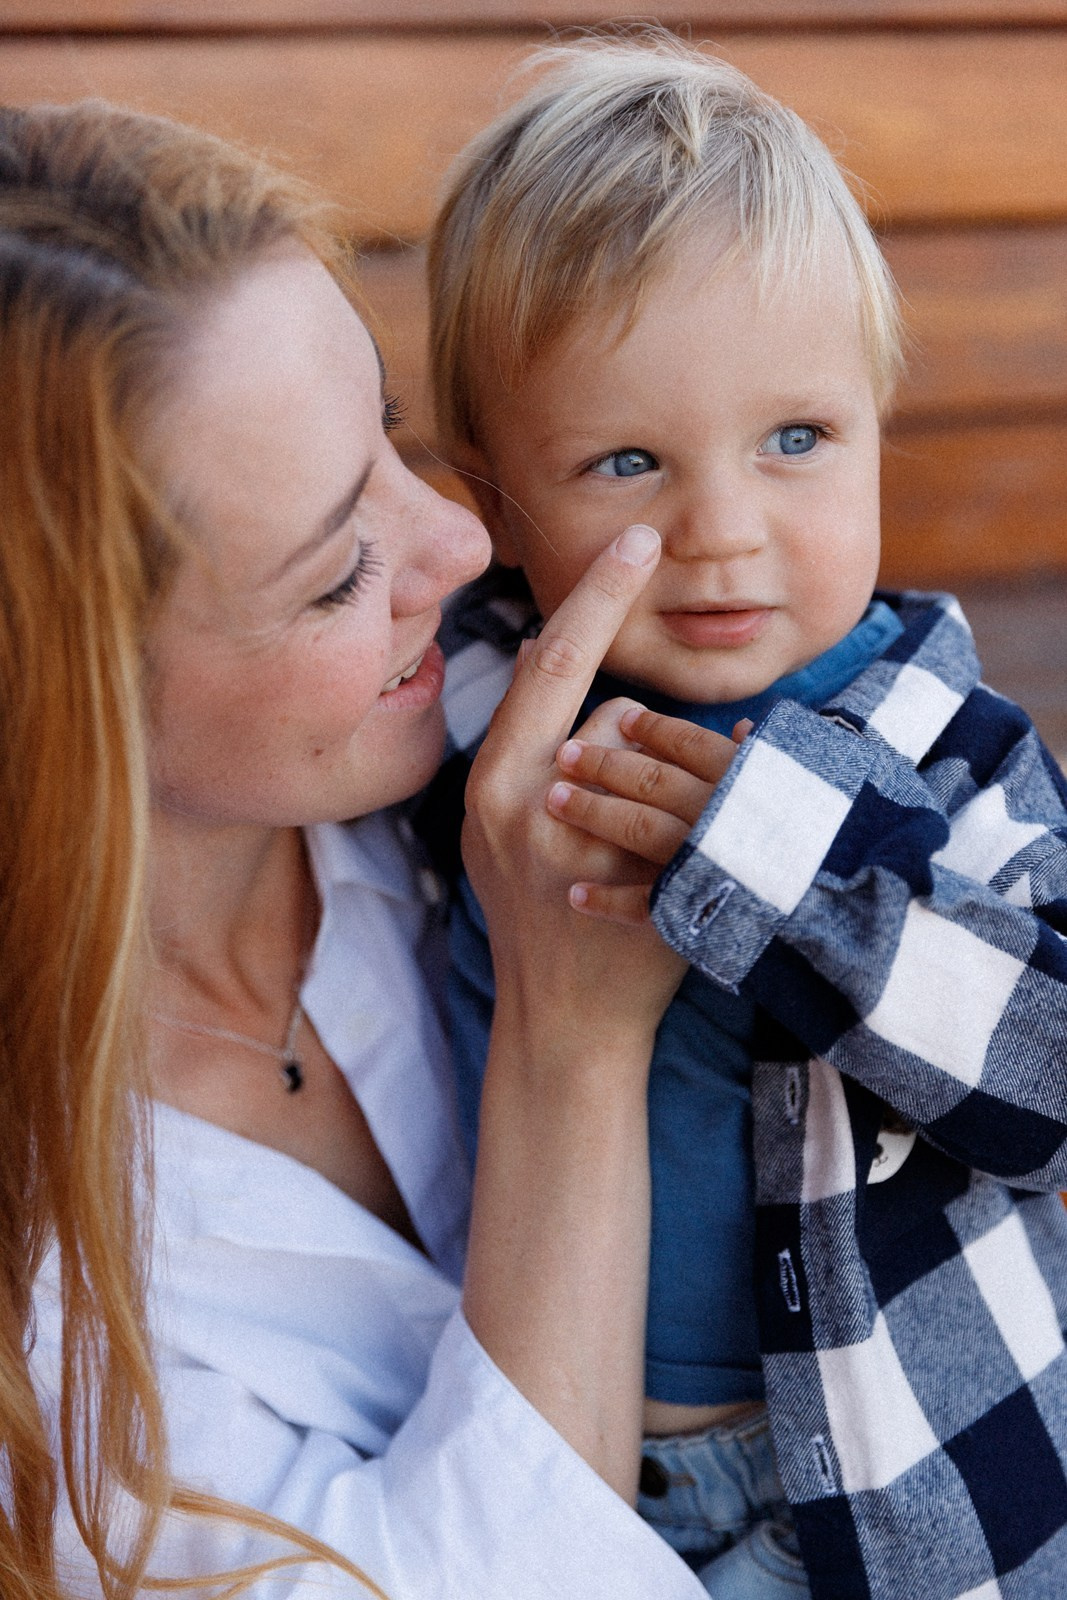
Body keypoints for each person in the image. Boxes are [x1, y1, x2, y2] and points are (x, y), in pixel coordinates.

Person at [1, 98, 711, 1599]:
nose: (460, 547)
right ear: (64, 710)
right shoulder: (47, 1308)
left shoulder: (478, 761)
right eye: (337, 576)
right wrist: (569, 1048)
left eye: (389, 436)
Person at [424, 32, 1067, 1600]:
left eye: (797, 440)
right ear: (497, 499)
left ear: (874, 419)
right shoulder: (464, 717)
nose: (720, 532)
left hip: (903, 1480)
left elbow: (1047, 1071)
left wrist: (784, 864)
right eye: (626, 460)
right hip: (569, 1464)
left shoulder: (946, 749)